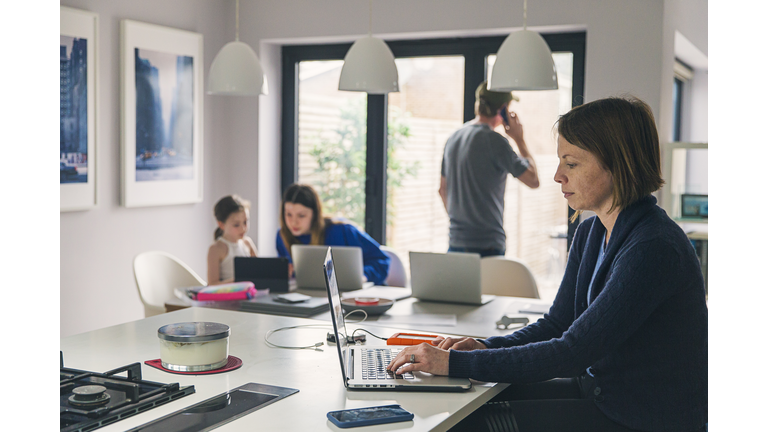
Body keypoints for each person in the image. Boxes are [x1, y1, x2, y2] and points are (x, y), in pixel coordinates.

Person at [388, 97, 708, 432]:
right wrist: (484, 346)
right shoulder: (591, 231)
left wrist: (455, 362)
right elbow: (557, 325)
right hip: (601, 395)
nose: (557, 176)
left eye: (571, 164)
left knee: (470, 424)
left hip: (640, 418)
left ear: (617, 164)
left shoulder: (653, 247)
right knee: (466, 405)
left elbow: (571, 352)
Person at [439, 81, 540, 257]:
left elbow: (442, 190)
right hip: (488, 247)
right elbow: (533, 180)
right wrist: (519, 139)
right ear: (503, 109)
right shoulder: (495, 141)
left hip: (455, 243)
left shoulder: (453, 138)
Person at [276, 183, 390, 286]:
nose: (294, 222)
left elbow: (382, 260)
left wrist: (363, 276)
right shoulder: (282, 236)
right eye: (288, 215)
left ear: (315, 214)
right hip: (312, 297)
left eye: (301, 216)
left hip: (356, 297)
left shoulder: (342, 230)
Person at [207, 195, 258, 285]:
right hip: (228, 296)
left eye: (246, 222)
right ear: (221, 225)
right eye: (236, 225)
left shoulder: (248, 243)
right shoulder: (216, 249)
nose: (243, 228)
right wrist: (238, 281)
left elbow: (260, 271)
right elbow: (212, 284)